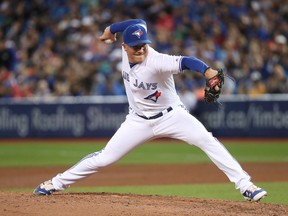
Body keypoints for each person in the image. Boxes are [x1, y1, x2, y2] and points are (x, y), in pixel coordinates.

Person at [33, 19, 267, 202]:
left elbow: (186, 61)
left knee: (207, 140)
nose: (141, 49)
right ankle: (55, 183)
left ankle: (246, 186)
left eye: (143, 44)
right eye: (135, 46)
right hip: (137, 121)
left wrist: (207, 71)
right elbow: (135, 21)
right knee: (105, 158)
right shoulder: (129, 45)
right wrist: (110, 29)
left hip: (172, 116)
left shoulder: (156, 60)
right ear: (123, 46)